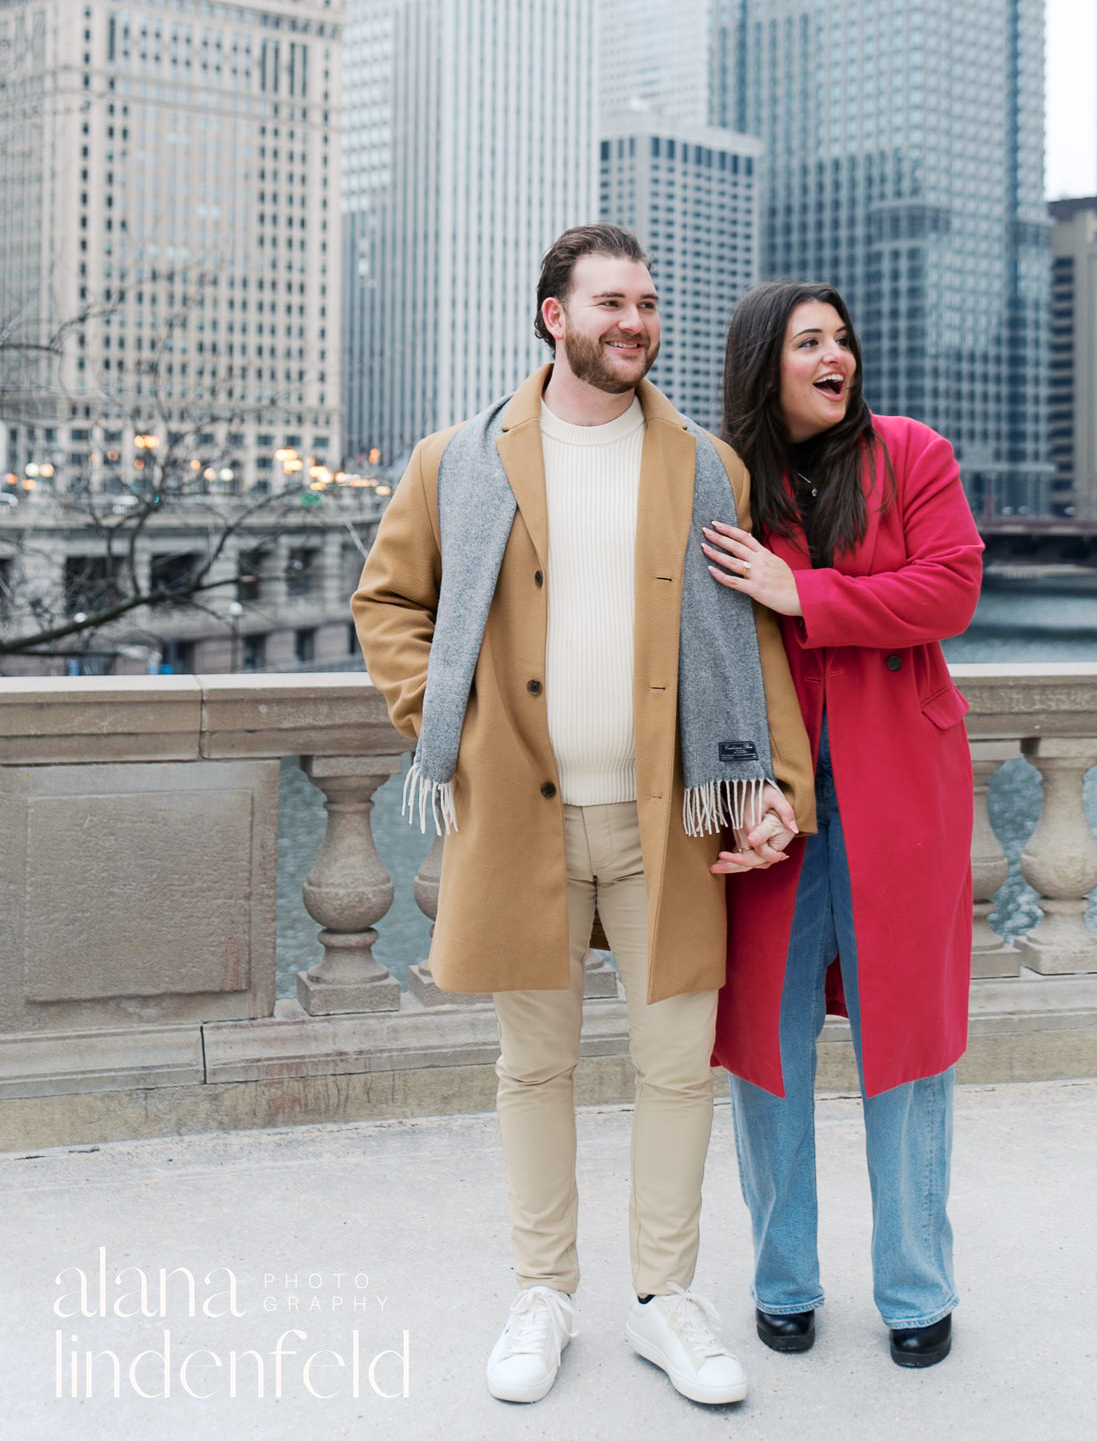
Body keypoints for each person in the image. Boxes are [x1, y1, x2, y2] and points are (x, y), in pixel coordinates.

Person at [351, 225, 813, 1410]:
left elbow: (753, 635)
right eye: (610, 300)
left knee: (674, 1067)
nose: (635, 321)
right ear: (552, 314)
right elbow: (389, 599)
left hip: (674, 815)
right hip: (519, 814)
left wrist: (777, 785)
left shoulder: (706, 462)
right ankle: (541, 1293)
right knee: (534, 1062)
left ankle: (665, 1299)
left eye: (648, 302)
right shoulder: (458, 457)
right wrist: (438, 716)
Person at [702, 280, 983, 1370]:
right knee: (764, 1048)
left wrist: (802, 591)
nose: (837, 357)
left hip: (901, 795)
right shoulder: (723, 480)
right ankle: (782, 1279)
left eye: (843, 340)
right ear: (764, 363)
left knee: (905, 1047)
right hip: (767, 807)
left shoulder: (913, 452)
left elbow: (948, 589)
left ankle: (917, 1286)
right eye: (809, 341)